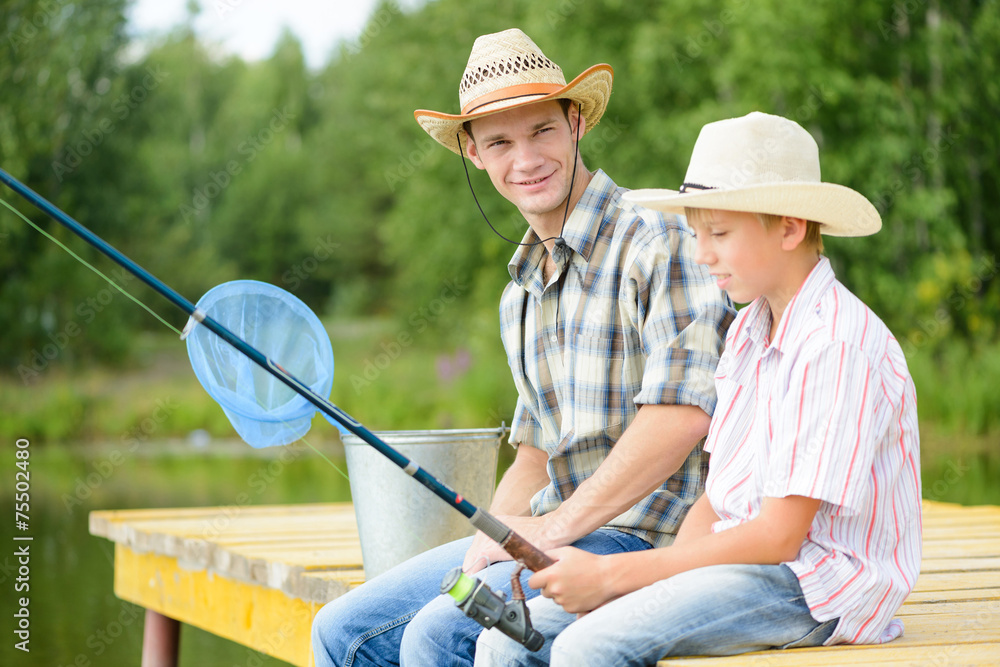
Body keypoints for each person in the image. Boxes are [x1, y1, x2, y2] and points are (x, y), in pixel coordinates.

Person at [311, 28, 734, 667]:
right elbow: (536, 458)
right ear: (475, 156)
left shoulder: (658, 243)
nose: (526, 159)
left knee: (438, 636)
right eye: (500, 142)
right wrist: (492, 538)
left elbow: (682, 417)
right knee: (339, 631)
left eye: (542, 131)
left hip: (646, 540)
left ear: (576, 124)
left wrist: (554, 529)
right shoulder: (522, 292)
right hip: (549, 534)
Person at [474, 111, 923, 666]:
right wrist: (646, 591)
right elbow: (718, 499)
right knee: (507, 640)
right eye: (695, 235)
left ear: (789, 227)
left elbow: (779, 538)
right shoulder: (750, 332)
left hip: (813, 585)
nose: (703, 253)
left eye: (719, 234)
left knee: (591, 646)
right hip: (738, 566)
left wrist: (614, 575)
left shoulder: (835, 342)